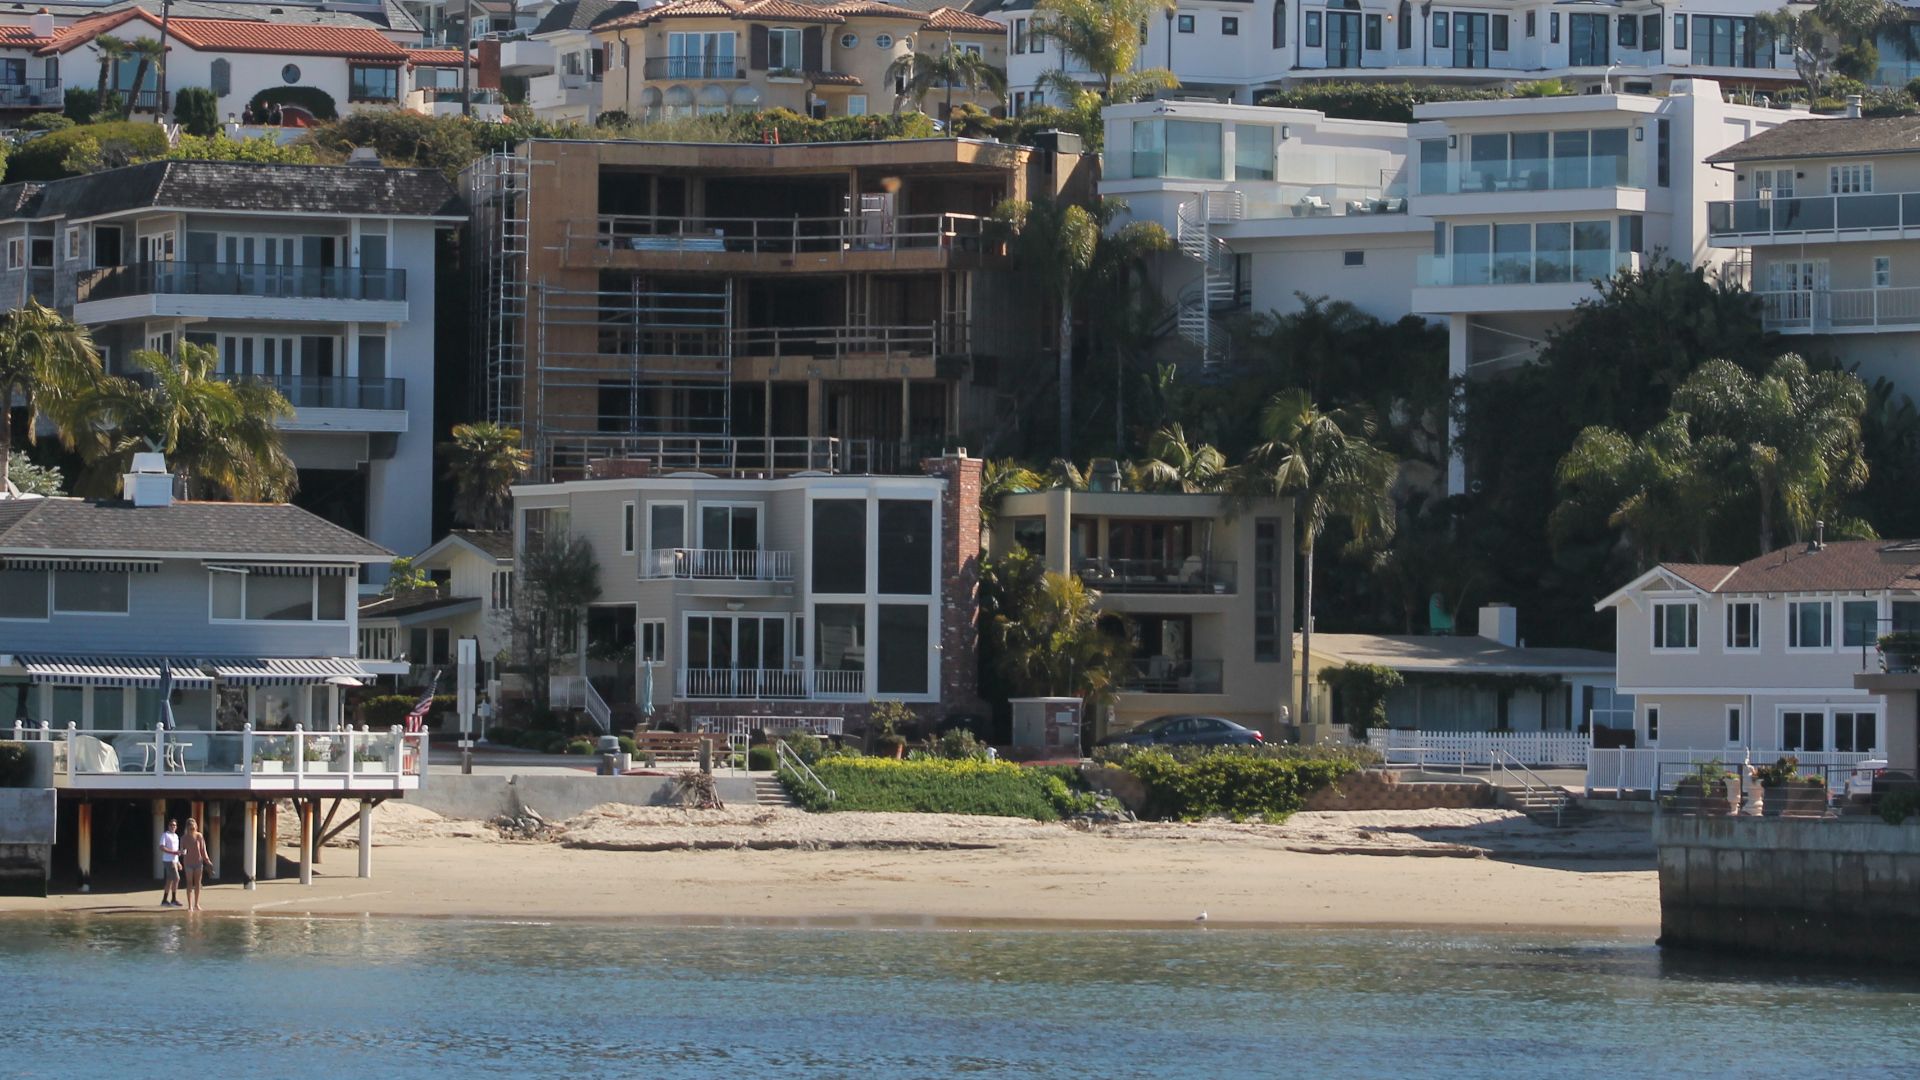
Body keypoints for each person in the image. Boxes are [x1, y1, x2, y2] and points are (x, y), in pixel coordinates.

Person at [178, 818, 210, 912]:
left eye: (193, 828)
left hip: (198, 862)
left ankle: (196, 904)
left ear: (196, 827)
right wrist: (182, 852)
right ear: (187, 828)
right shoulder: (183, 838)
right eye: (190, 828)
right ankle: (190, 906)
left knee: (197, 884)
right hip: (188, 862)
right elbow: (181, 850)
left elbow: (203, 850)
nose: (192, 829)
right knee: (189, 883)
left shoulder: (199, 836)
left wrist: (208, 861)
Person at [159, 819, 180, 907]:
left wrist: (178, 862)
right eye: (171, 825)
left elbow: (176, 850)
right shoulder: (165, 835)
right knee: (176, 878)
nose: (173, 826)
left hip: (174, 860)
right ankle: (173, 899)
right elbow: (162, 847)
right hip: (168, 860)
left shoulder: (176, 836)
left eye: (174, 825)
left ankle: (164, 900)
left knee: (169, 880)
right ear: (168, 826)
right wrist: (173, 853)